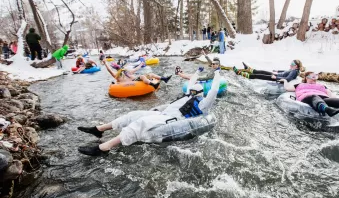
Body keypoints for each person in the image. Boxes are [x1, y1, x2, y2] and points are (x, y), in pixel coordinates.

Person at [77, 68, 221, 156]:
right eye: (192, 90)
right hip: (163, 115)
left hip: (173, 120)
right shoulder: (189, 95)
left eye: (195, 91)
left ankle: (104, 148)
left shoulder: (203, 104)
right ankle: (99, 129)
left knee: (142, 123)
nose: (191, 92)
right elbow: (191, 83)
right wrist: (197, 72)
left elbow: (214, 90)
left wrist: (217, 75)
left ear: (201, 93)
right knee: (132, 115)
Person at [103, 60, 171, 89]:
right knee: (142, 76)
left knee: (151, 74)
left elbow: (136, 69)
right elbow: (109, 70)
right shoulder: (117, 76)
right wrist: (105, 63)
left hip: (136, 80)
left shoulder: (126, 72)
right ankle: (153, 85)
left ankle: (164, 79)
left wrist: (141, 64)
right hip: (133, 83)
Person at [233, 60, 304, 82]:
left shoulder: (294, 71)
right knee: (262, 71)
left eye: (292, 64)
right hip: (276, 75)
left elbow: (288, 79)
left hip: (276, 78)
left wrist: (276, 78)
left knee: (259, 76)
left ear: (296, 66)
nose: (290, 65)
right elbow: (285, 71)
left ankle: (239, 73)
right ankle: (248, 69)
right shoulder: (293, 70)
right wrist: (277, 71)